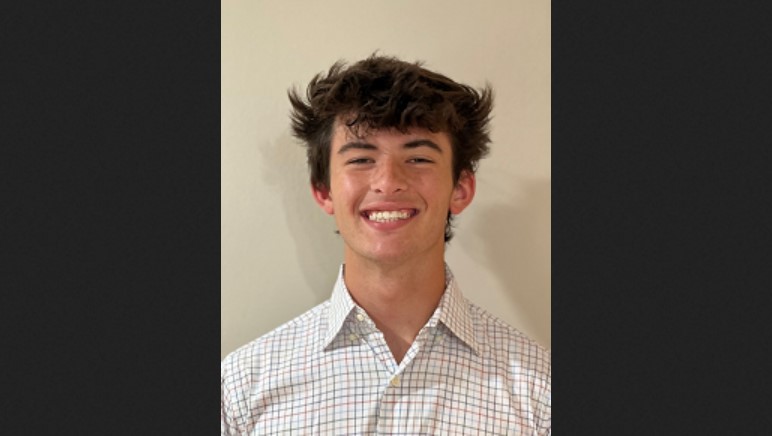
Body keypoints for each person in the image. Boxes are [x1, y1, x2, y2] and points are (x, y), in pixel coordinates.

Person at [221, 54, 551, 435]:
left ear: (460, 189)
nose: (388, 182)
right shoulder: (240, 390)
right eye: (361, 159)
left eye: (418, 158)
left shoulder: (540, 393)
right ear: (324, 191)